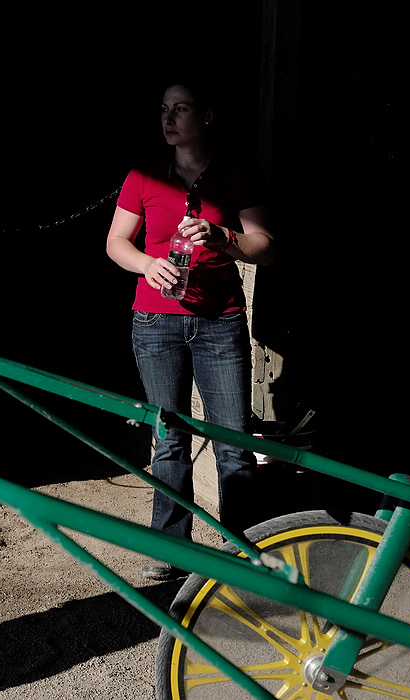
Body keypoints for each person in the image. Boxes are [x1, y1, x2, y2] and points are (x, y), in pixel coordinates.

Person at [105, 78, 275, 581]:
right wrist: (146, 265)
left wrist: (224, 238)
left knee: (233, 440)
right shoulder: (142, 175)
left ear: (207, 116)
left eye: (180, 108)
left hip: (220, 324)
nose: (168, 118)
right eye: (163, 109)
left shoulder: (236, 174)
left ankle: (246, 553)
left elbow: (267, 246)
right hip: (155, 323)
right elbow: (116, 242)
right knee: (171, 437)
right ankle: (173, 551)